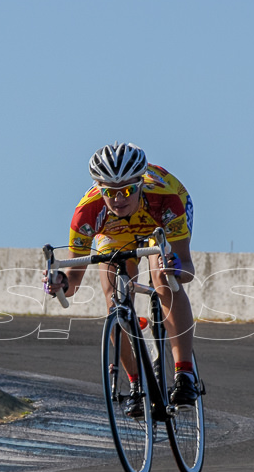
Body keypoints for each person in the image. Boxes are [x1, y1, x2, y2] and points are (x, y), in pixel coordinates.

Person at [44, 142, 198, 417]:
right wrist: (61, 284)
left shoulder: (165, 198)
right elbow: (74, 278)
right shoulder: (87, 212)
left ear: (140, 183)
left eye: (126, 190)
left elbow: (187, 268)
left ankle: (185, 374)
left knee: (163, 278)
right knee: (114, 297)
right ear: (98, 189)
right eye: (109, 192)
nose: (118, 199)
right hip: (114, 233)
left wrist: (175, 267)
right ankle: (137, 384)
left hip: (158, 224)